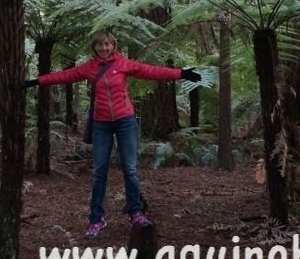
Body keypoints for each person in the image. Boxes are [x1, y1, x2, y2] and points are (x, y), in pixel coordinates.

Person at [24, 31, 201, 239]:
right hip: (101, 124)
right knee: (99, 172)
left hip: (126, 121)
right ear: (95, 47)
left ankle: (136, 212)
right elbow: (64, 76)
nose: (104, 48)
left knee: (130, 169)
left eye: (107, 44)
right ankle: (96, 219)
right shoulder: (89, 68)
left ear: (113, 45)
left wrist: (181, 73)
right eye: (100, 45)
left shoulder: (123, 64)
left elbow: (151, 71)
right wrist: (36, 82)